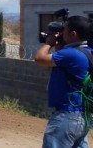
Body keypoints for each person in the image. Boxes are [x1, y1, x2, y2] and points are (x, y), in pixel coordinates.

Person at [35, 15, 93, 148]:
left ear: (73, 34)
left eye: (64, 30)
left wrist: (49, 43)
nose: (61, 33)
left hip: (67, 115)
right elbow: (61, 57)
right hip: (82, 116)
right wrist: (61, 43)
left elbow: (40, 58)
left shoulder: (72, 54)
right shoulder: (87, 52)